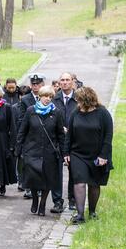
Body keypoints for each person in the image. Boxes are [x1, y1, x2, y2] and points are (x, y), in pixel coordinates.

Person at [65, 87, 113, 224]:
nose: (77, 102)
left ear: (86, 100)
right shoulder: (76, 113)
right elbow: (69, 135)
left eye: (79, 100)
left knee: (94, 184)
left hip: (97, 155)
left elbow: (108, 137)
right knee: (79, 182)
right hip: (78, 154)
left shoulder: (103, 113)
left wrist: (103, 156)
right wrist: (66, 153)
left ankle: (92, 211)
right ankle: (80, 215)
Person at [15, 86, 66, 216]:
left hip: (49, 152)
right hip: (31, 150)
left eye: (50, 97)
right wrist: (18, 148)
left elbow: (60, 134)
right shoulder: (31, 110)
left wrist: (64, 153)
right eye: (45, 96)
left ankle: (43, 203)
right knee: (33, 177)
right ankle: (35, 199)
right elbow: (22, 130)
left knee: (47, 179)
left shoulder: (56, 113)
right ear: (39, 96)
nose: (48, 99)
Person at [18, 73, 46, 198]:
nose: (35, 86)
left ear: (42, 84)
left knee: (41, 164)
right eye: (33, 84)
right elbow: (21, 119)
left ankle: (40, 186)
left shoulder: (47, 97)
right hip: (30, 136)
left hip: (44, 136)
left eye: (38, 84)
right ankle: (28, 187)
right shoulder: (25, 99)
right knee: (28, 163)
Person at [54, 72, 78, 211]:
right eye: (62, 80)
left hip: (74, 142)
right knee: (56, 173)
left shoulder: (78, 99)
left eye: (67, 80)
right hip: (57, 141)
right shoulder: (54, 98)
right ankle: (57, 201)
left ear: (72, 82)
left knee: (74, 172)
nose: (64, 82)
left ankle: (73, 199)